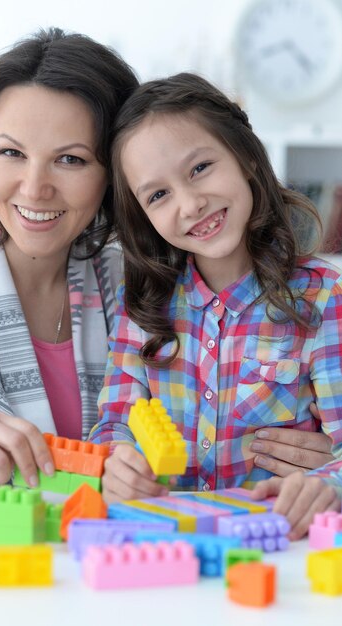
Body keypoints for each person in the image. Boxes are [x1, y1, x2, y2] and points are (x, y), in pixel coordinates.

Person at [90, 72, 342, 539]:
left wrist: (328, 488)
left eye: (200, 168)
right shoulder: (142, 305)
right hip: (168, 542)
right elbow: (115, 424)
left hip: (278, 548)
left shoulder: (324, 299)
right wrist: (115, 466)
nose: (190, 204)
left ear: (245, 156)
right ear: (143, 214)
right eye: (158, 195)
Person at [0, 27, 139, 489]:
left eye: (71, 160)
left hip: (98, 553)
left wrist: (327, 454)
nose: (34, 187)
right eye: (12, 153)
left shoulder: (133, 287)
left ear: (114, 173)